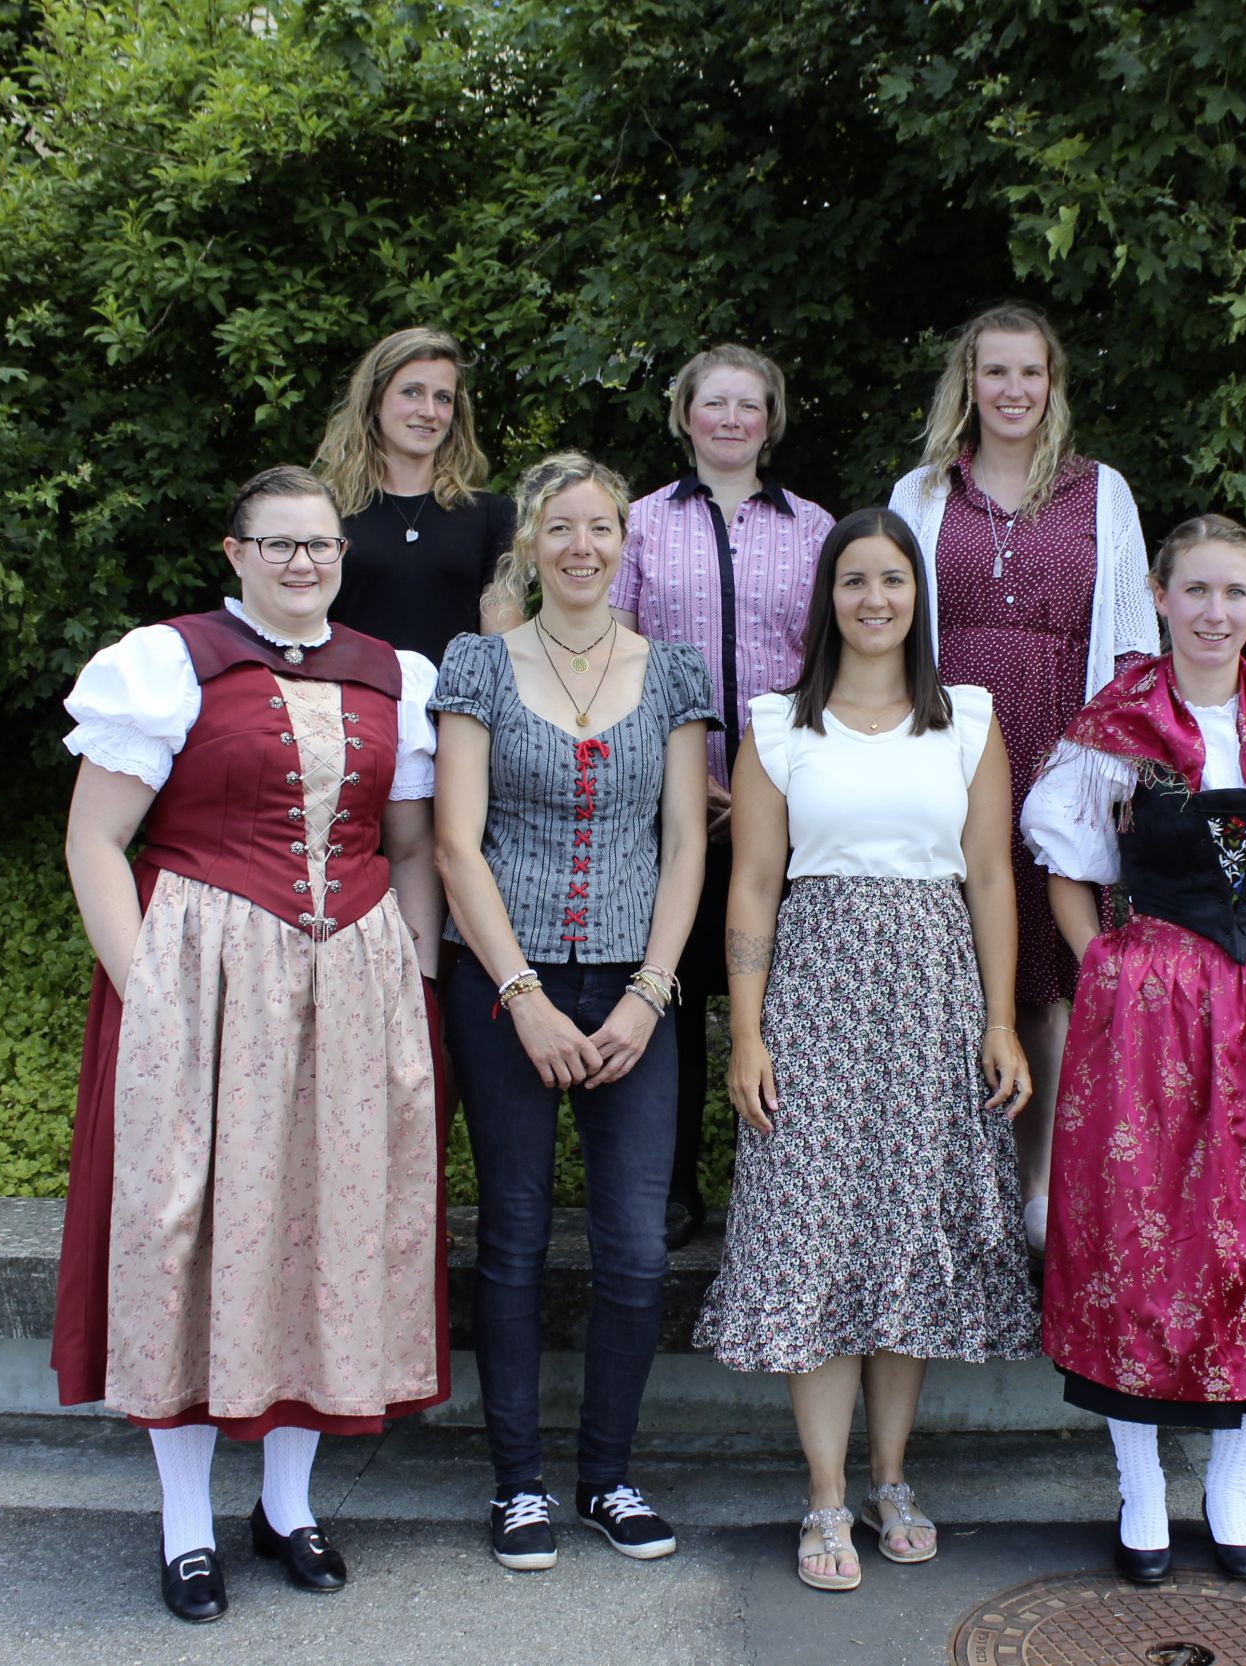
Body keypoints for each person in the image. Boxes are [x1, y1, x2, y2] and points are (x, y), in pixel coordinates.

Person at [51, 465, 448, 1623]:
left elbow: (409, 847)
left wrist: (416, 982)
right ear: (234, 553)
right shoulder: (166, 663)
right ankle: (185, 1525)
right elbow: (94, 842)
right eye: (278, 544)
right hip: (205, 984)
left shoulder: (392, 675)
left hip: (354, 986)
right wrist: (147, 991)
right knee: (190, 1229)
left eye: (319, 544)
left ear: (342, 554)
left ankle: (287, 1504)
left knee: (328, 1227)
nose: (302, 562)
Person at [695, 507, 1041, 1592]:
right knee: (814, 1239)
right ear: (828, 598)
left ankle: (891, 1477)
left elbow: (992, 877)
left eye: (892, 579)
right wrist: (746, 1030)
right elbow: (753, 884)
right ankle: (824, 1495)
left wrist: (999, 1020)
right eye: (854, 580)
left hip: (935, 1003)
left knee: (906, 1241)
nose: (874, 599)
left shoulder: (967, 720)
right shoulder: (779, 725)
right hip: (814, 1002)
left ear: (917, 595)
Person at [1017, 513, 1246, 1586]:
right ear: (1161, 599)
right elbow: (1068, 865)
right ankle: (1138, 1487)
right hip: (1150, 1009)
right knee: (1140, 1232)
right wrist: (1107, 969)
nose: (1216, 612)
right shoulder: (1115, 726)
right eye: (1196, 591)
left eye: (1234, 592)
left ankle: (1230, 1487)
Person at [432, 451, 714, 1573]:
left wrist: (650, 992)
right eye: (560, 528)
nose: (581, 546)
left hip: (635, 990)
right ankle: (518, 1485)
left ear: (623, 544)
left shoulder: (674, 670)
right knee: (512, 1234)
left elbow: (685, 843)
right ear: (530, 544)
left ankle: (608, 1474)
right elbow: (457, 844)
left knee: (635, 1248)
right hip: (507, 985)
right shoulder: (478, 664)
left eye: (600, 528)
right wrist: (522, 997)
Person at [886, 304, 1159, 1255]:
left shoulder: (1100, 491)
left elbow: (1132, 641)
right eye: (994, 371)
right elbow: (886, 629)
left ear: (1053, 384)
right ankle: (947, 1189)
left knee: (1047, 977)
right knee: (949, 966)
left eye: (1030, 372)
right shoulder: (922, 492)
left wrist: (1103, 763)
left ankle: (1037, 1189)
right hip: (947, 748)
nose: (1013, 390)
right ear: (968, 382)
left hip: (1062, 750)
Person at [610, 343, 834, 1248]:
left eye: (750, 404)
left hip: (785, 803)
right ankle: (667, 1186)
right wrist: (681, 775)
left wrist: (774, 785)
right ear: (685, 415)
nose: (732, 419)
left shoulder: (814, 527)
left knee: (777, 998)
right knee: (667, 992)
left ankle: (772, 1190)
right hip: (672, 802)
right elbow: (614, 655)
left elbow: (833, 659)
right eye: (715, 402)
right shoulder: (637, 524)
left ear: (771, 421)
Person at [314, 325, 519, 658]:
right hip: (348, 689)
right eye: (412, 392)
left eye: (443, 398)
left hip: (456, 692)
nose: (429, 411)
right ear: (376, 401)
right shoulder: (325, 514)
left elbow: (500, 649)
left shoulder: (493, 517)